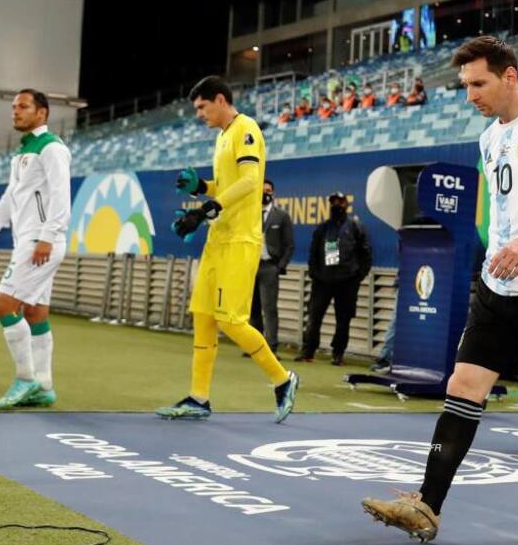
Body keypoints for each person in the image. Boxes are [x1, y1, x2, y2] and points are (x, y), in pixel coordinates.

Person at [363, 36, 518, 542]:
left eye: (478, 83)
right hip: (498, 289)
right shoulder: (488, 138)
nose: (470, 94)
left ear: (509, 76)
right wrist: (497, 255)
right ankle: (427, 505)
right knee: (463, 386)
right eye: (465, 86)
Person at [156, 76, 299, 422]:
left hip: (240, 240)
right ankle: (198, 398)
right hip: (218, 239)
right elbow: (228, 183)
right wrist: (201, 186)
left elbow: (251, 182)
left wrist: (206, 209)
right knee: (203, 316)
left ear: (220, 100)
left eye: (202, 107)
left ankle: (283, 379)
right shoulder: (222, 137)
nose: (199, 114)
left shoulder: (245, 128)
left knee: (231, 320)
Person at [0, 90, 71, 408]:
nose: (15, 112)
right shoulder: (22, 153)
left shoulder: (51, 148)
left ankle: (25, 379)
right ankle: (45, 385)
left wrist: (47, 238)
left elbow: (61, 196)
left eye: (23, 107)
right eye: (13, 107)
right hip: (31, 240)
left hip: (40, 242)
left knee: (3, 305)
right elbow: (11, 199)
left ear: (42, 114)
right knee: (36, 312)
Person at [299, 192, 372, 365]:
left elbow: (366, 253)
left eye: (340, 202)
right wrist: (314, 273)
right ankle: (308, 351)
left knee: (343, 320)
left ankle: (338, 354)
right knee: (314, 317)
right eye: (333, 202)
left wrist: (358, 276)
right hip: (323, 281)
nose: (336, 205)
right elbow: (313, 253)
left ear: (346, 205)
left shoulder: (355, 227)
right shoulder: (323, 228)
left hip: (347, 282)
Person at [248, 178, 293, 355]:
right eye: (263, 190)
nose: (265, 193)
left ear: (273, 193)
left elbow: (289, 245)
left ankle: (271, 346)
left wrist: (280, 266)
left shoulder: (281, 216)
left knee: (269, 308)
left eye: (268, 191)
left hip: (269, 267)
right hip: (250, 267)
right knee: (253, 308)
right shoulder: (249, 215)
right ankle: (255, 346)